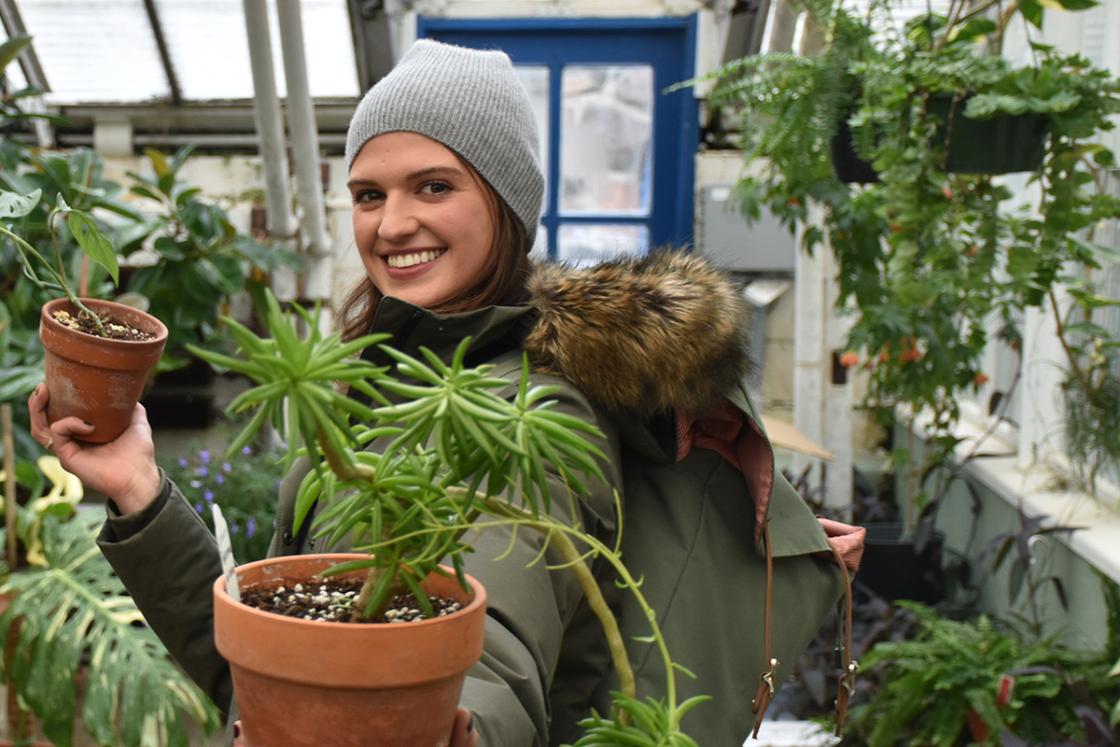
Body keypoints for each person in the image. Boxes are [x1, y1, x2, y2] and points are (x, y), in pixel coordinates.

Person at [29, 39, 855, 746]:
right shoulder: (385, 369)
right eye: (368, 193)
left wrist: (448, 725)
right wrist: (140, 489)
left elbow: (489, 647)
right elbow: (271, 671)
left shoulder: (527, 409)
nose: (390, 225)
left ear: (504, 206)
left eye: (434, 186)